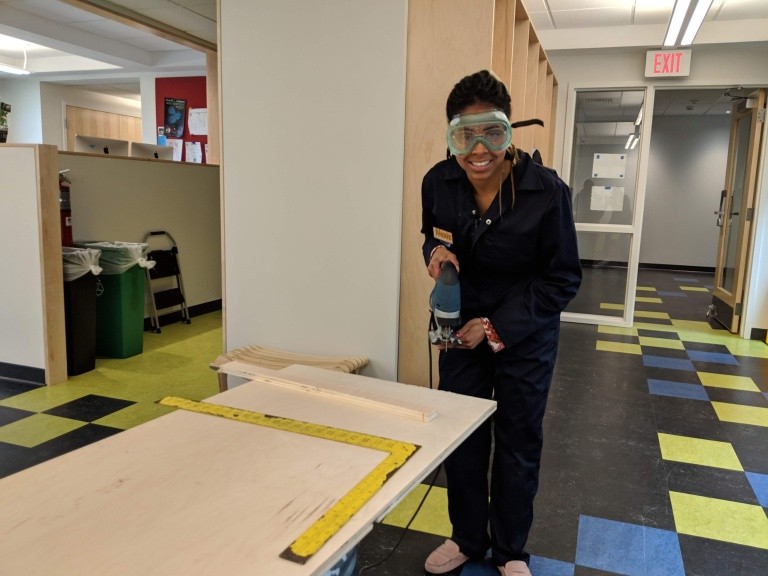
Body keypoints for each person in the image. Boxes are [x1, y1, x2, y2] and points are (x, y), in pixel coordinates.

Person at [420, 70, 582, 576]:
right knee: (463, 440)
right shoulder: (437, 181)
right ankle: (468, 538)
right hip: (458, 330)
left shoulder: (547, 192)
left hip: (525, 332)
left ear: (509, 131)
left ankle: (510, 550)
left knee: (517, 440)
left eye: (491, 131)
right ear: (452, 137)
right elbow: (432, 234)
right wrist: (435, 252)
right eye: (464, 135)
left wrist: (493, 327)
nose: (478, 149)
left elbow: (561, 280)